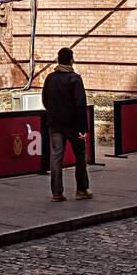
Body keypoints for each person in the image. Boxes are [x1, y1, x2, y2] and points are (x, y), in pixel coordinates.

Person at [42, 46, 92, 202]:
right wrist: (83, 128)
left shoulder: (50, 78)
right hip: (72, 125)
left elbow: (45, 99)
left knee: (56, 157)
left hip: (55, 124)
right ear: (71, 60)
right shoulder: (75, 79)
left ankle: (56, 193)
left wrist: (52, 113)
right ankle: (81, 190)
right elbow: (80, 105)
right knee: (80, 155)